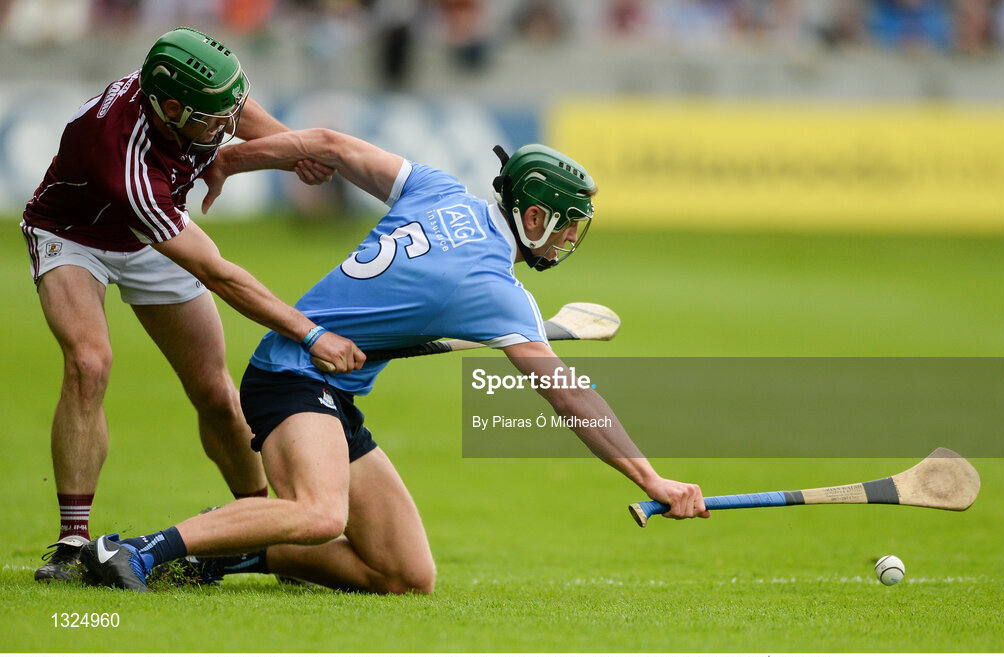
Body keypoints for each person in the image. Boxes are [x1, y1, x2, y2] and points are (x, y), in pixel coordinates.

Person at [76, 129, 709, 593]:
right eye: (568, 226)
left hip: (331, 393)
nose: (572, 239)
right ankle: (137, 551)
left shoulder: (440, 190)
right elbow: (571, 397)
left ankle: (238, 549)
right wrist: (652, 480)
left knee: (406, 576)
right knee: (323, 516)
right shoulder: (499, 292)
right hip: (292, 375)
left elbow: (328, 144)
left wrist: (234, 159)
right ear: (535, 215)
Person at [22, 28, 363, 584]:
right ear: (171, 108)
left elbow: (240, 111)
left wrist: (291, 151)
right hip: (73, 234)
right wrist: (310, 333)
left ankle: (256, 529)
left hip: (149, 232)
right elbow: (218, 273)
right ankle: (72, 540)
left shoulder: (193, 92)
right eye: (211, 121)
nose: (225, 129)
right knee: (89, 363)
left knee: (216, 394)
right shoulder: (123, 162)